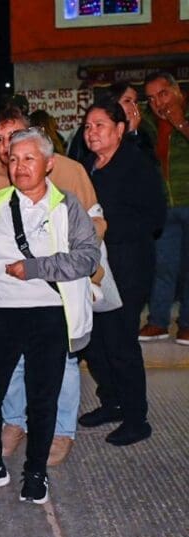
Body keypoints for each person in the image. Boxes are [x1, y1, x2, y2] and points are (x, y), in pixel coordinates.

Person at [0, 128, 99, 504]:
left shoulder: (66, 206)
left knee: (42, 398)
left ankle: (35, 472)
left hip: (48, 315)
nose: (19, 166)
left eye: (29, 158)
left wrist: (35, 268)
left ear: (48, 164)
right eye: (14, 159)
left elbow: (88, 258)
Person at [0, 107, 101, 463]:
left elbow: (95, 228)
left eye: (16, 136)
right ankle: (14, 422)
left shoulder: (69, 171)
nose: (9, 147)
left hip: (56, 292)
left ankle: (62, 431)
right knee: (15, 363)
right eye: (0, 140)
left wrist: (55, 267)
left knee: (63, 364)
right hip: (9, 298)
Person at [78, 101, 167, 445]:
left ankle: (135, 418)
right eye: (87, 127)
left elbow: (155, 218)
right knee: (95, 342)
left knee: (120, 343)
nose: (91, 133)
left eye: (99, 125)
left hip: (127, 265)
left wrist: (104, 229)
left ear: (119, 129)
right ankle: (111, 402)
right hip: (95, 267)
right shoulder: (88, 166)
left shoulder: (136, 165)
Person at [138, 72, 189, 345]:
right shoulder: (147, 124)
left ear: (177, 90)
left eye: (163, 94)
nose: (158, 103)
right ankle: (158, 322)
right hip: (163, 207)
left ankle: (187, 325)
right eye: (151, 98)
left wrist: (180, 123)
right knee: (163, 265)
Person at [68, 83, 154, 164]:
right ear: (113, 101)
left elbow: (145, 162)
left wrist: (132, 133)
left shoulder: (142, 134)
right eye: (127, 101)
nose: (133, 107)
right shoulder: (89, 130)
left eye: (135, 102)